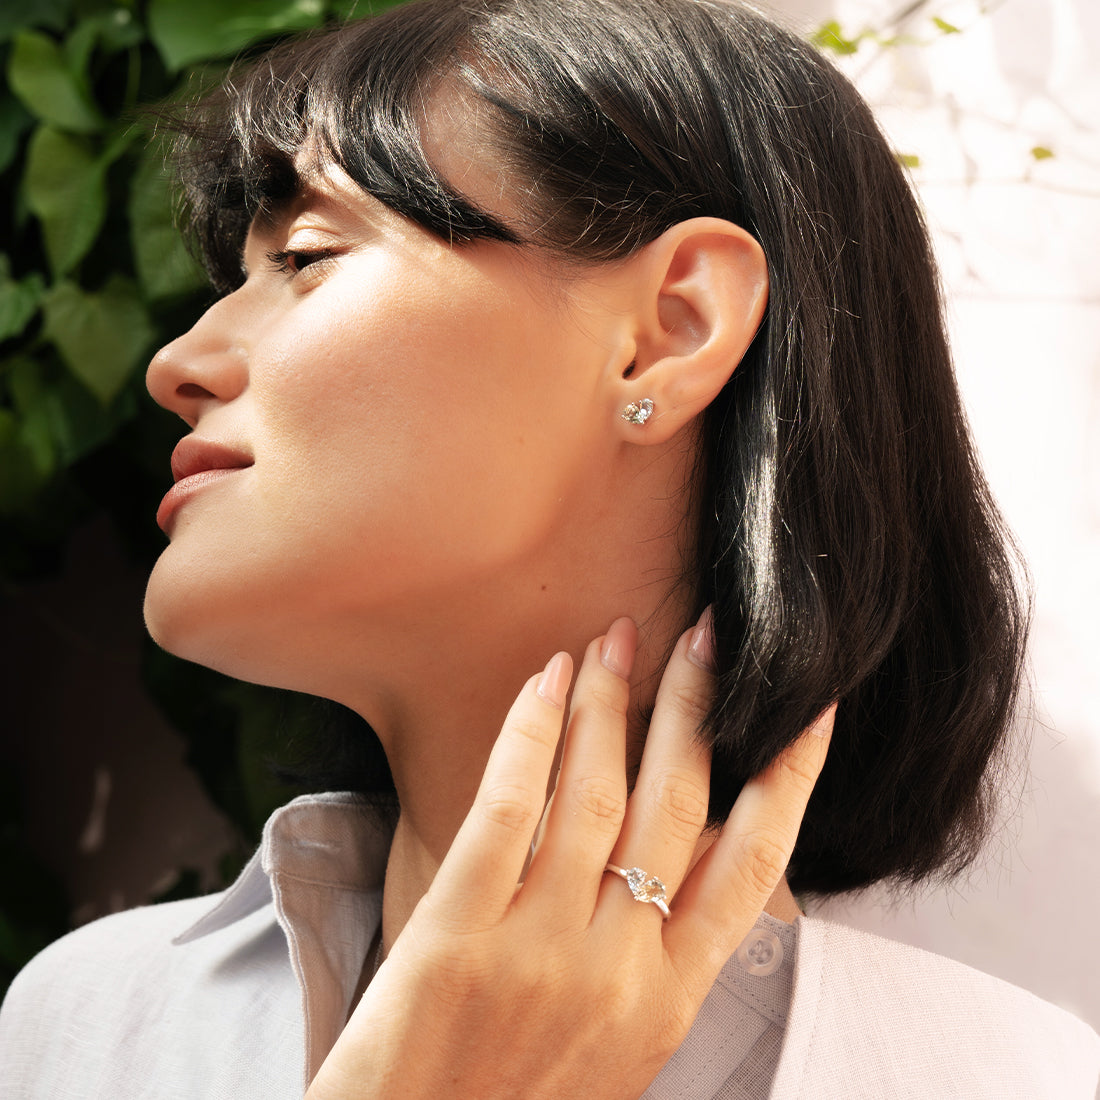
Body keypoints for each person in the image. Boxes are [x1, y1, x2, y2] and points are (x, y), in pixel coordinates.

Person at [2, 0, 1098, 1096]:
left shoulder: (1009, 1075)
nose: (177, 362)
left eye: (304, 253)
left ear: (668, 331)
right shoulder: (86, 1021)